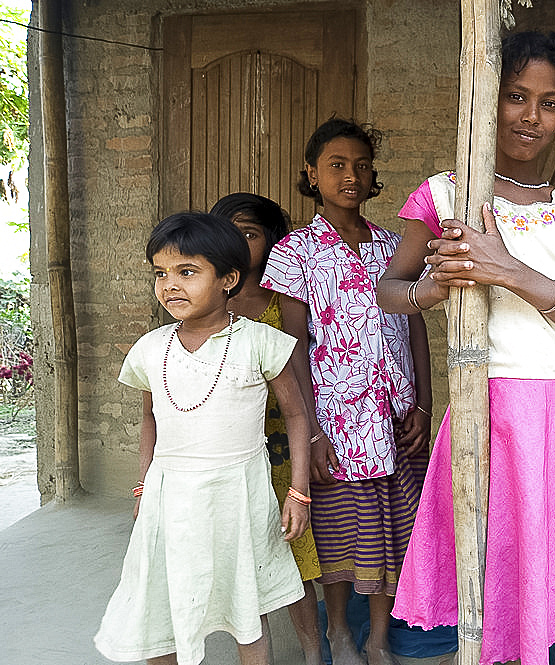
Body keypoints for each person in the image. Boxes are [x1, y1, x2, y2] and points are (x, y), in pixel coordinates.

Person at [377, 30, 555, 665]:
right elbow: (389, 290)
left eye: (549, 103)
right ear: (486, 100)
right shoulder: (446, 195)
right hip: (488, 407)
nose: (530, 116)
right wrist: (432, 290)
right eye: (516, 96)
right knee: (499, 557)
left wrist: (509, 269)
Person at [94, 212, 311, 665]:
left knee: (245, 604)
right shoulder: (152, 349)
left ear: (229, 278)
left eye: (187, 272)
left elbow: (295, 413)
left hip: (239, 494)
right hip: (169, 494)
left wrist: (298, 492)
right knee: (159, 598)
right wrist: (142, 484)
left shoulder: (260, 342)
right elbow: (150, 419)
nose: (171, 285)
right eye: (161, 273)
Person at [261, 116, 433, 665]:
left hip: (395, 414)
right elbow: (291, 346)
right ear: (311, 173)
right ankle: (338, 631)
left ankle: (378, 638)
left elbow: (415, 328)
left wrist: (423, 404)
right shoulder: (294, 251)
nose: (351, 176)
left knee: (393, 534)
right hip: (335, 422)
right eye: (337, 165)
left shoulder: (392, 246)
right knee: (338, 534)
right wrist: (308, 432)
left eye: (362, 166)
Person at [210, 193, 324, 665]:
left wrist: (315, 433)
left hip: (282, 444)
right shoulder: (208, 302)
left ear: (272, 241)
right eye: (230, 232)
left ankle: (315, 652)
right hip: (231, 446)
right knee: (238, 556)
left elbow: (304, 369)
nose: (239, 242)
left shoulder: (282, 300)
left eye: (251, 233)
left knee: (298, 557)